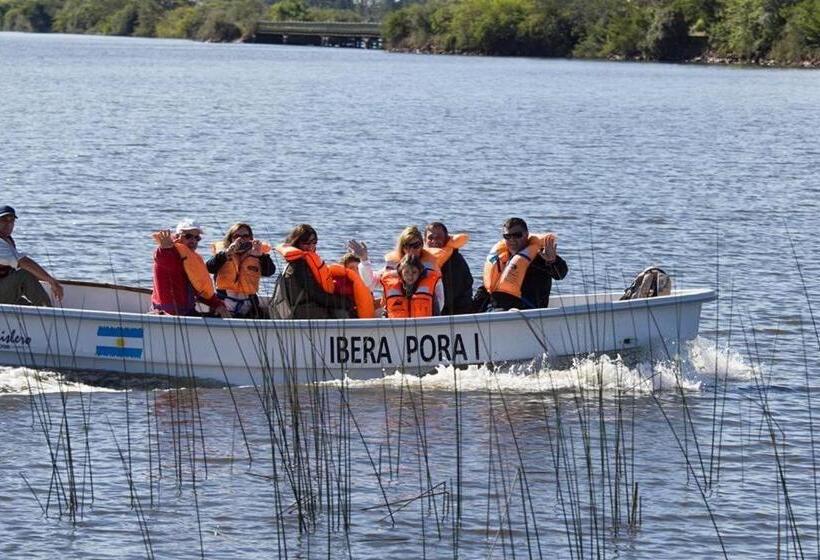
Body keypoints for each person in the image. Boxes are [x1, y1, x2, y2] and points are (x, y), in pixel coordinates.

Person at [476, 217, 568, 311]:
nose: (512, 239)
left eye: (517, 235)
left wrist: (552, 261)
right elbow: (486, 288)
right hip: (497, 310)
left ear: (526, 235)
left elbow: (560, 275)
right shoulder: (500, 258)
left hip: (527, 311)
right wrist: (472, 310)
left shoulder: (541, 256)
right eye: (507, 236)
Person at [270, 224, 354, 319]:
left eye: (313, 242)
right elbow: (316, 295)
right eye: (306, 242)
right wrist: (345, 302)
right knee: (343, 310)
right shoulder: (298, 266)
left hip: (311, 308)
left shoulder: (305, 262)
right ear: (296, 243)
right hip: (306, 313)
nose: (310, 246)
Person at [151, 219, 230, 317]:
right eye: (188, 236)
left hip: (187, 312)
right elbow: (164, 259)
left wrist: (217, 305)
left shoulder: (192, 260)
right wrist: (165, 248)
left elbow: (200, 289)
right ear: (177, 237)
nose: (193, 241)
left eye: (197, 238)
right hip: (166, 314)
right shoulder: (166, 253)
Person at [207, 222, 275, 318]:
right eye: (237, 236)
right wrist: (227, 253)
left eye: (245, 236)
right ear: (231, 239)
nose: (241, 239)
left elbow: (270, 272)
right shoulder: (223, 254)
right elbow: (209, 267)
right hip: (224, 305)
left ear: (251, 238)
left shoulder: (257, 254)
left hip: (249, 305)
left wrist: (261, 256)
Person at [0, 205, 63, 306]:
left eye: (11, 220)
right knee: (24, 274)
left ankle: (41, 314)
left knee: (27, 307)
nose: (8, 224)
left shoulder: (7, 240)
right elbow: (22, 262)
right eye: (3, 220)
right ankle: (48, 313)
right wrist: (51, 281)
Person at [424, 222, 473, 315]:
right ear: (424, 240)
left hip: (454, 314)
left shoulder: (457, 261)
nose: (434, 241)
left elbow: (460, 294)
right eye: (430, 238)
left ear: (446, 239)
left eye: (438, 237)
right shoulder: (420, 262)